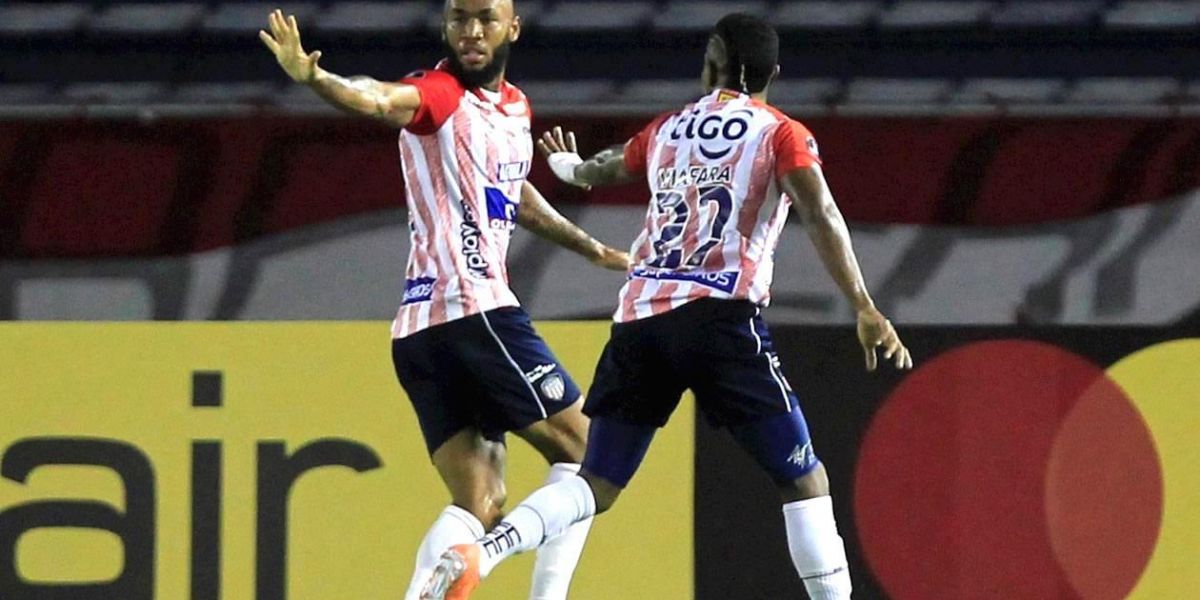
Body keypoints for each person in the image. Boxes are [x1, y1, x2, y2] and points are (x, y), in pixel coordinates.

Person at [420, 12, 914, 600]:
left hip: (640, 323)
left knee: (597, 481)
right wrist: (863, 303)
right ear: (773, 74)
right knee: (804, 478)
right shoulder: (781, 133)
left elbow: (599, 169)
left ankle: (485, 550)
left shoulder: (669, 129)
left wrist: (564, 167)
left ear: (710, 62)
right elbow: (820, 212)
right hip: (721, 319)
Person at [258, 3, 631, 599]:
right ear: (445, 27)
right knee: (592, 452)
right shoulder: (437, 93)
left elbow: (515, 192)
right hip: (475, 309)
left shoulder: (513, 109)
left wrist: (589, 247)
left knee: (480, 499)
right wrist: (317, 80)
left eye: (485, 18)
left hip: (419, 331)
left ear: (513, 27)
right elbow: (378, 99)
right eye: (459, 18)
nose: (471, 31)